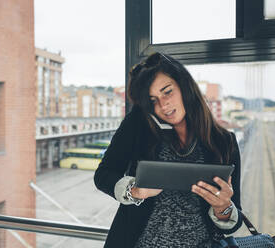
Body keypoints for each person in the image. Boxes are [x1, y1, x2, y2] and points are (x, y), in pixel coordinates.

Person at [94, 52, 243, 248]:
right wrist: (134, 191)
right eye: (153, 100)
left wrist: (222, 207)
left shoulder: (224, 141)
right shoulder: (138, 125)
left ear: (184, 87)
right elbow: (103, 175)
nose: (163, 105)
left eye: (167, 91)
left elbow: (232, 222)